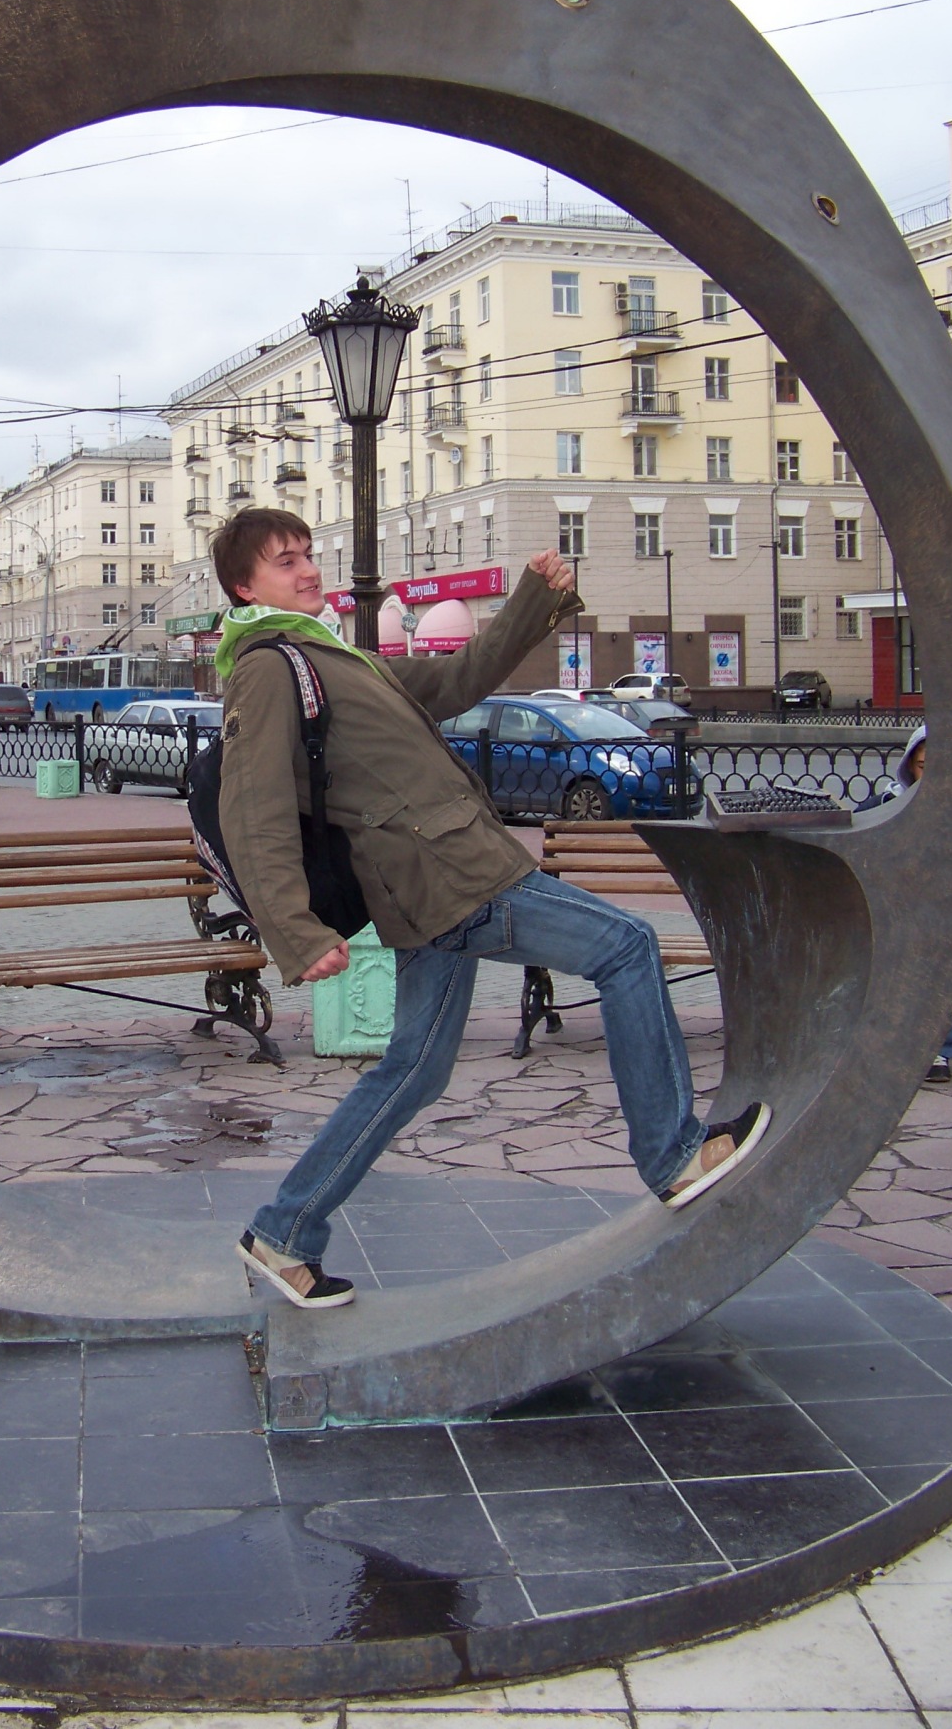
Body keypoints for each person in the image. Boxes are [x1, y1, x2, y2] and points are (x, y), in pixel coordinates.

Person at [214, 508, 771, 1310]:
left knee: (414, 1069)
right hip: (455, 877)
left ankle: (285, 1233)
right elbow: (252, 807)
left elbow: (453, 684)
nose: (307, 569)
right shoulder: (267, 668)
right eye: (284, 561)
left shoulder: (328, 656)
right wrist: (294, 930)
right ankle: (674, 1155)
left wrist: (532, 600)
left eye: (307, 553)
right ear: (245, 587)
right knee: (626, 947)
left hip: (434, 881)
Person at [858, 726, 952, 1083]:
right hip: (895, 911)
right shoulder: (888, 803)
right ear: (909, 765)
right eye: (922, 766)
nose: (928, 775)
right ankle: (880, 1040)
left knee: (939, 947)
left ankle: (937, 1048)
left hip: (946, 914)